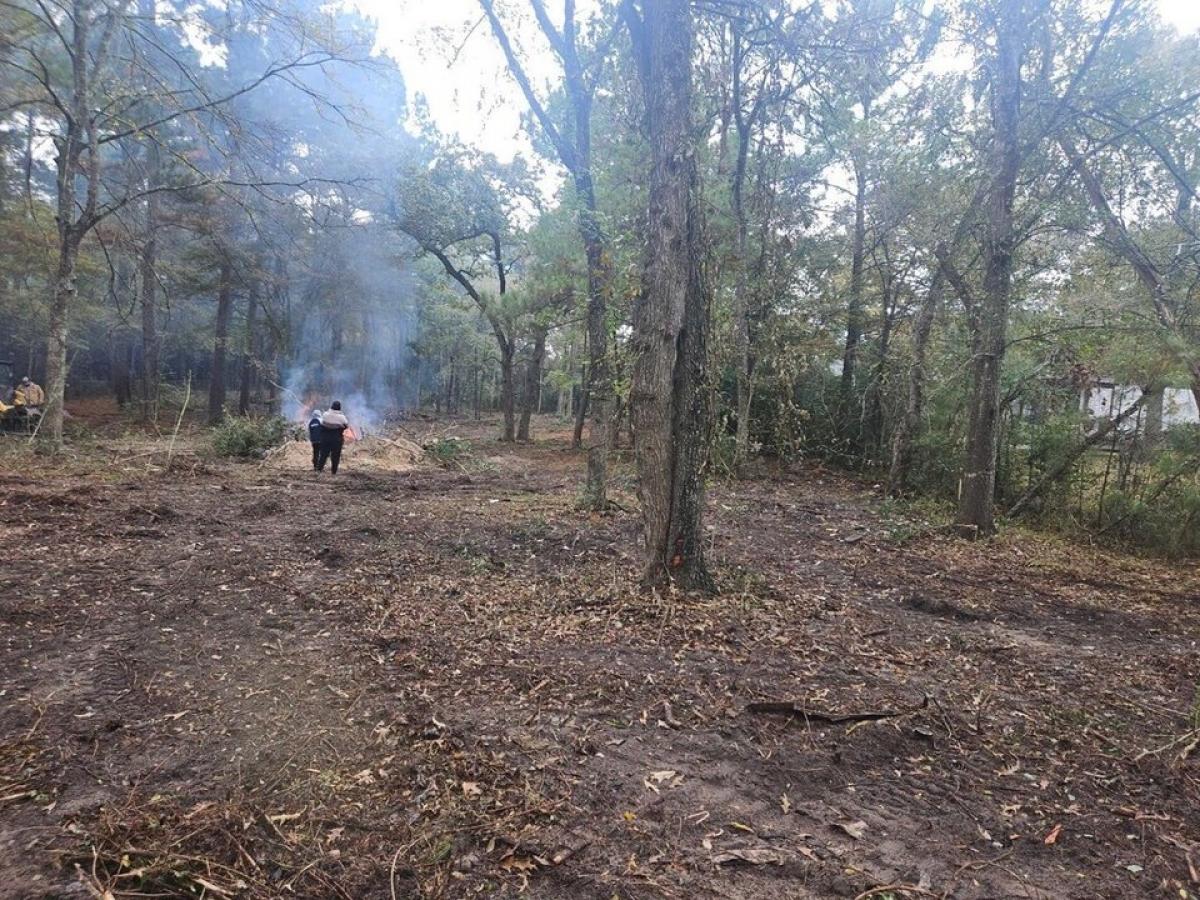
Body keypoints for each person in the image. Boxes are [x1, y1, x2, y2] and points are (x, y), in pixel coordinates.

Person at [316, 400, 349, 474]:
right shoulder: (342, 417)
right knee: (335, 456)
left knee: (323, 455)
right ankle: (334, 472)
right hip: (336, 439)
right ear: (339, 408)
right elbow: (346, 425)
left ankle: (319, 470)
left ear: (331, 406)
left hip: (325, 438)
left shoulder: (325, 414)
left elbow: (322, 423)